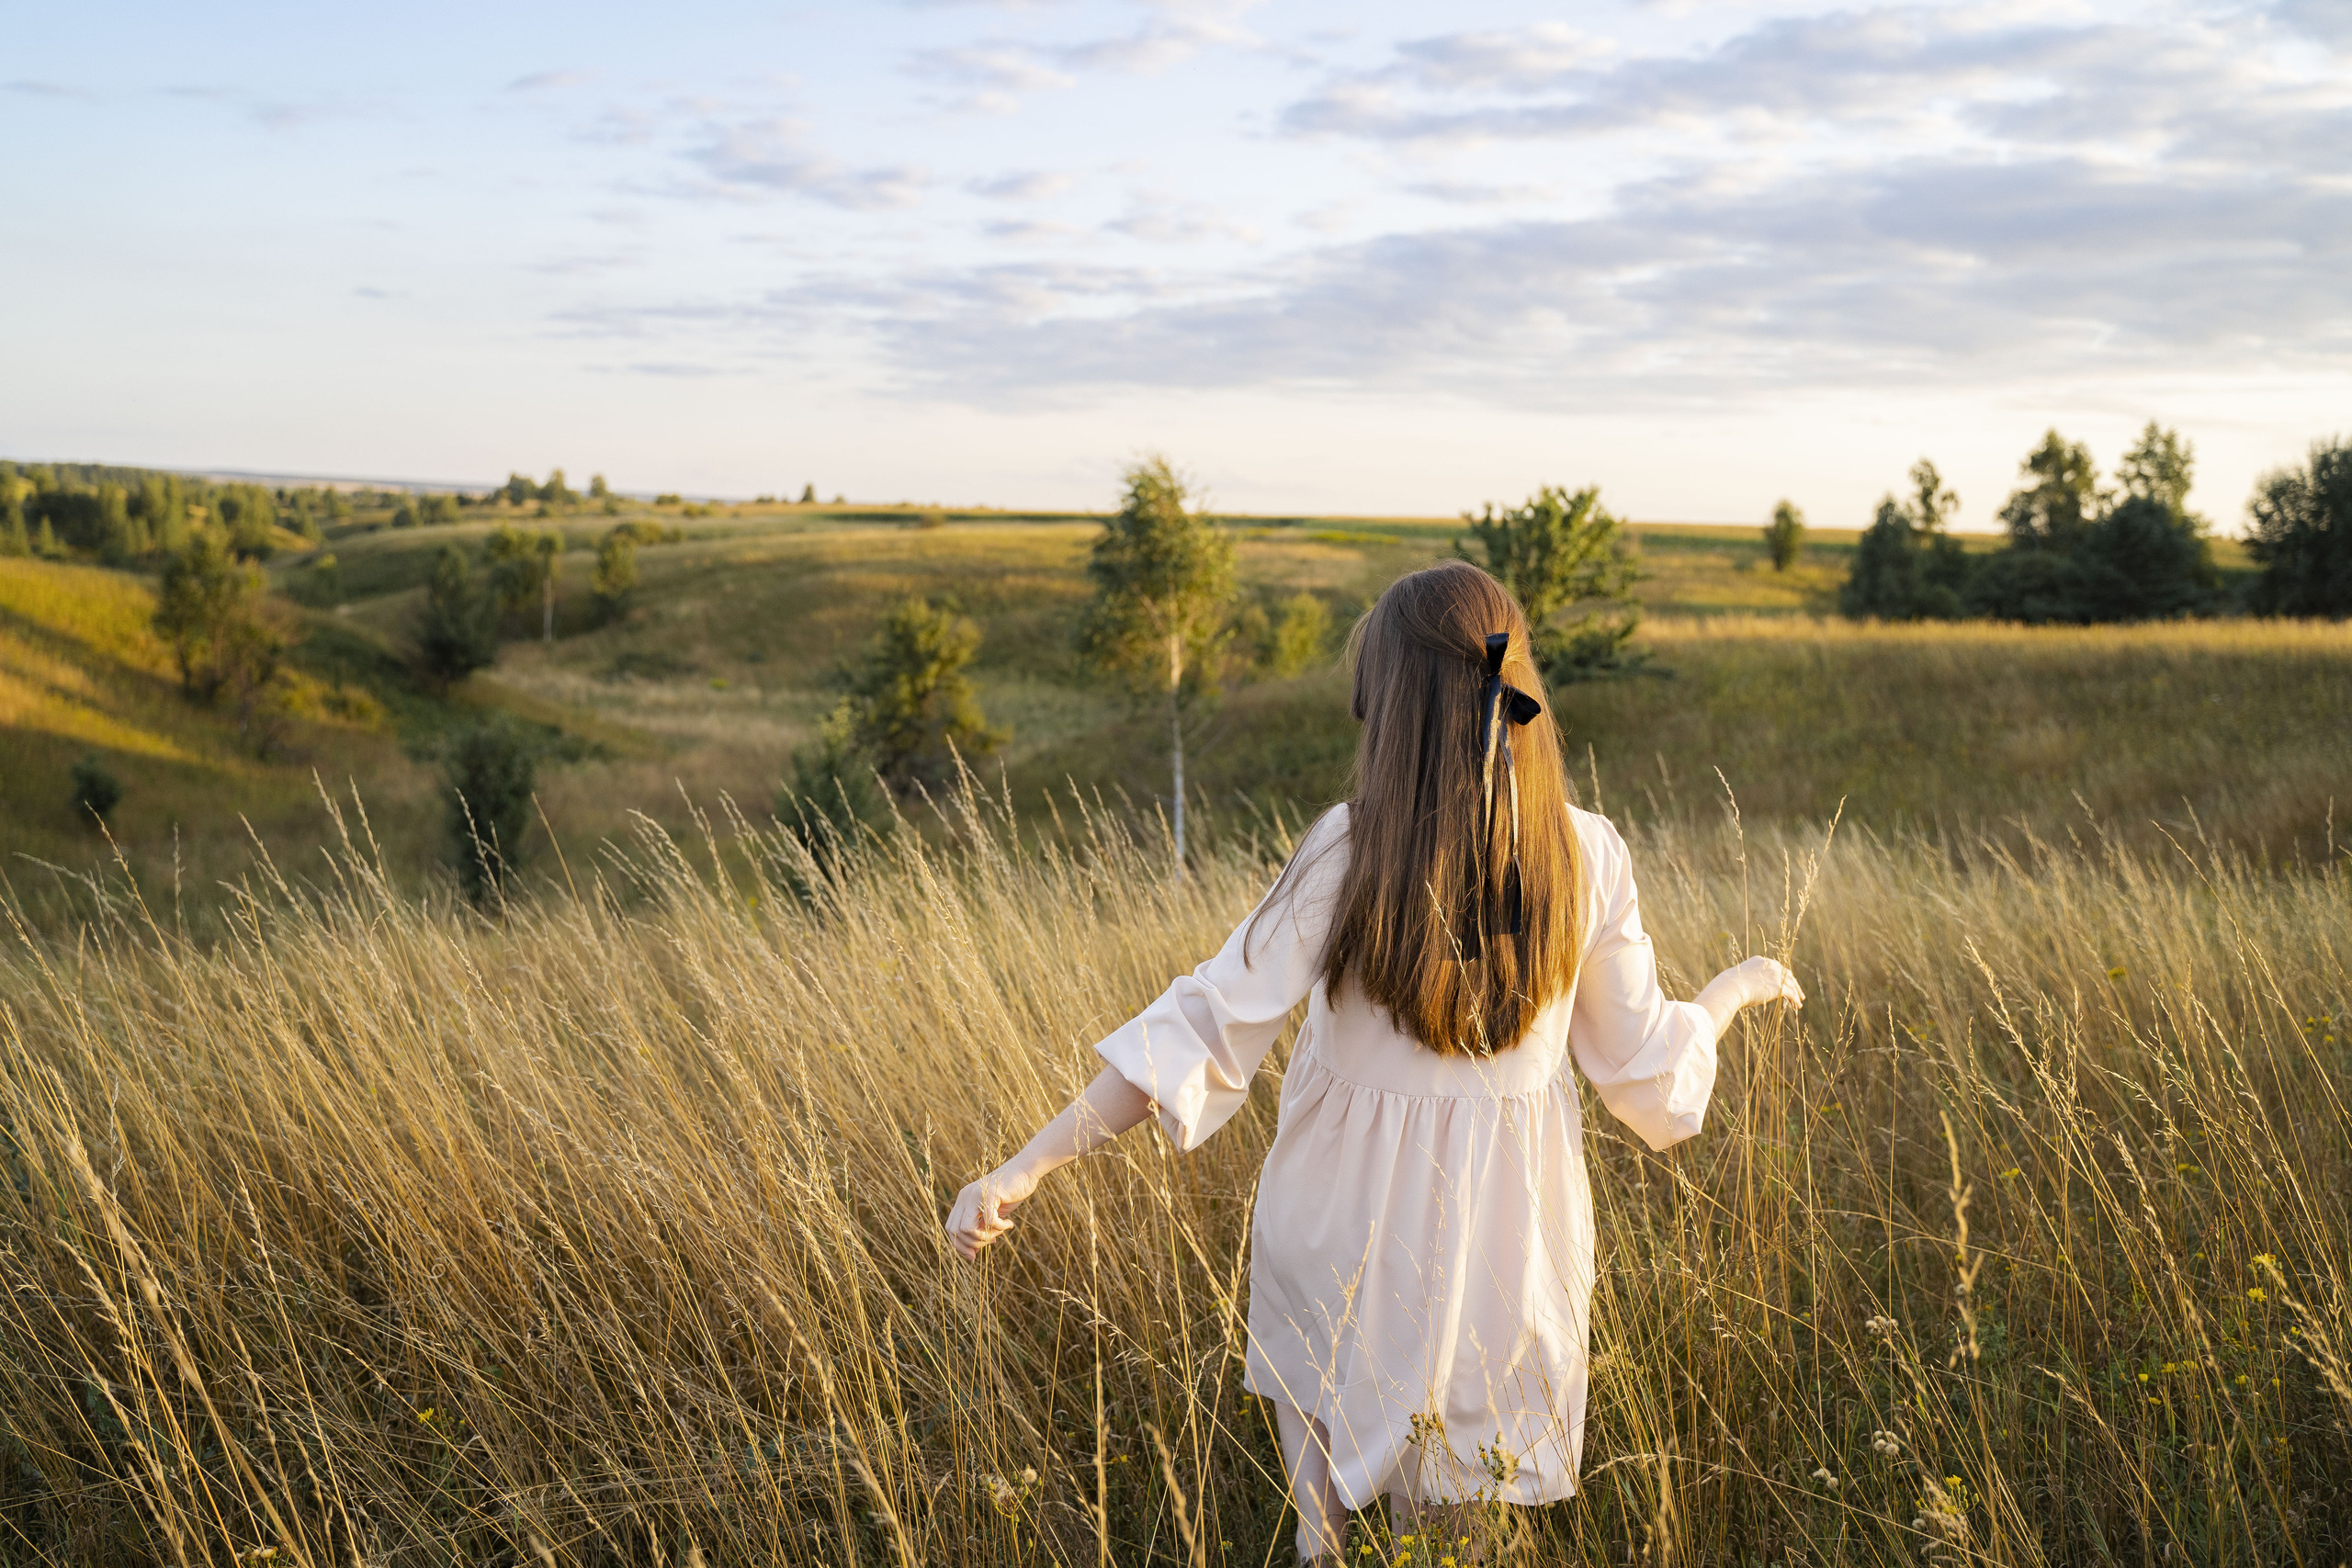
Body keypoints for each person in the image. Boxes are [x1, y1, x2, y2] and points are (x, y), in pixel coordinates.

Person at [945, 560, 1802, 1561]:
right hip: (1502, 1245)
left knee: (1326, 1536)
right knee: (1463, 1531)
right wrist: (1728, 993)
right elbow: (1645, 1076)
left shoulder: (1348, 850)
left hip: (1337, 1236)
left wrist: (1024, 1168)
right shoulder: (1587, 853)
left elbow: (1201, 1028)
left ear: (1391, 705)